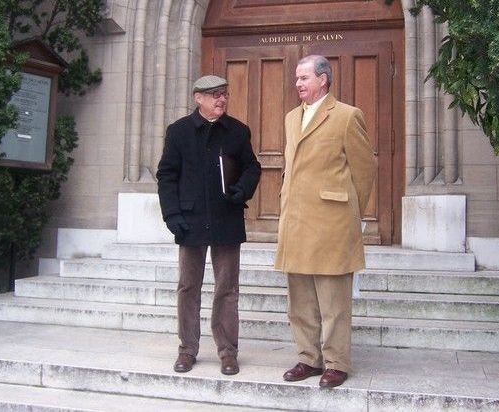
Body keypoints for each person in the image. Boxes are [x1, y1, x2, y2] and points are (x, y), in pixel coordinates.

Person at [275, 55, 377, 388]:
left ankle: (337, 362)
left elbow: (364, 170)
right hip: (296, 222)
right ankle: (308, 358)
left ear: (324, 79)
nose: (298, 84)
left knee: (333, 301)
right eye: (296, 78)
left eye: (304, 77)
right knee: (300, 299)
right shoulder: (292, 118)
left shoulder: (347, 116)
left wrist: (350, 214)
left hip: (332, 223)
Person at [157, 75, 261, 376]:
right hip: (189, 221)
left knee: (227, 288)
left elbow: (252, 167)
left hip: (226, 218)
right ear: (198, 98)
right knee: (188, 287)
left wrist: (242, 190)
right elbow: (167, 175)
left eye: (225, 94)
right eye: (215, 94)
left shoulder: (238, 131)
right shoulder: (178, 132)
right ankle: (187, 350)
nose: (222, 100)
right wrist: (171, 215)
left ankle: (228, 352)